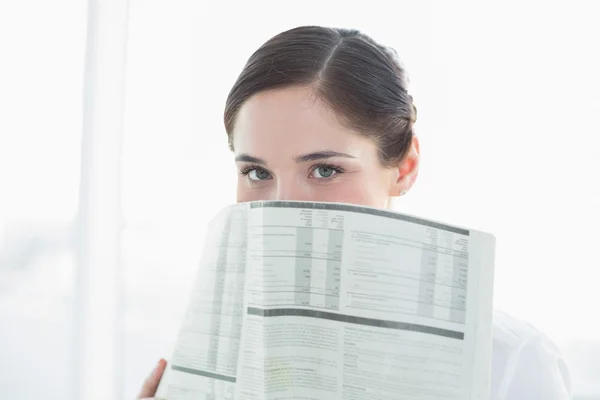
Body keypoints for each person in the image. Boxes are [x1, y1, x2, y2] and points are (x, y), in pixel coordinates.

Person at [137, 26, 572, 399]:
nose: (282, 205)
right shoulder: (213, 357)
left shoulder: (511, 361)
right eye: (256, 172)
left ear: (405, 166)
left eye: (324, 170)